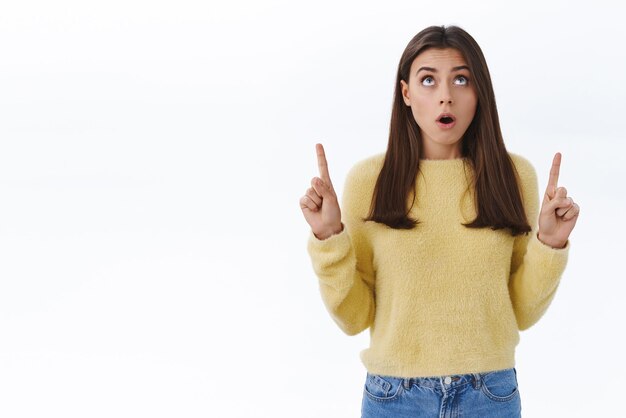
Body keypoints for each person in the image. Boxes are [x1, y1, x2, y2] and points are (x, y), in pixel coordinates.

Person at [299, 25, 580, 418]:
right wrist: (328, 236)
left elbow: (521, 312)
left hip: (490, 394)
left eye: (461, 79)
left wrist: (550, 245)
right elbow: (353, 318)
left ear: (479, 92)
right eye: (428, 80)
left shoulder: (514, 177)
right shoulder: (369, 182)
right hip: (395, 397)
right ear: (407, 94)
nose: (445, 95)